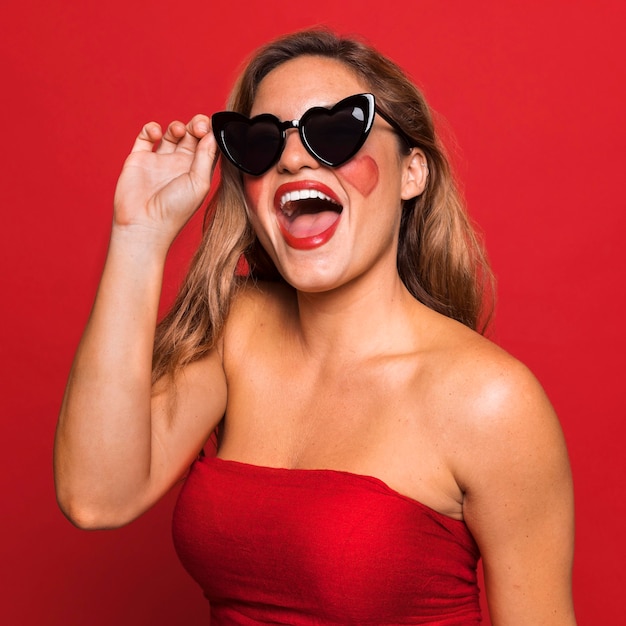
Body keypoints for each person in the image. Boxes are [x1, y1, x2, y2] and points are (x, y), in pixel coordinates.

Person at [54, 28, 576, 625]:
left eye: (334, 132)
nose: (293, 157)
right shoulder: (236, 334)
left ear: (413, 172)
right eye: (260, 142)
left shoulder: (491, 402)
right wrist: (138, 237)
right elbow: (96, 497)